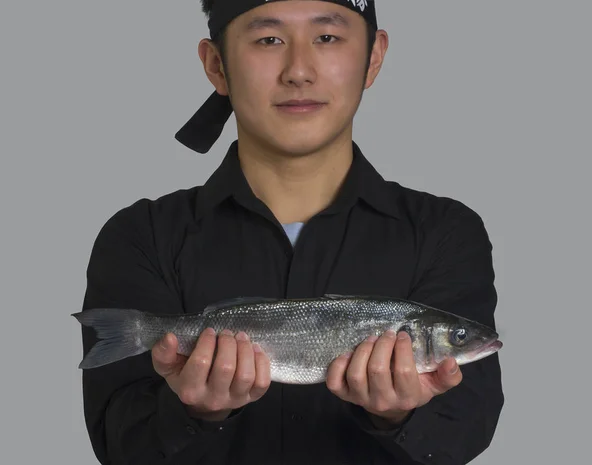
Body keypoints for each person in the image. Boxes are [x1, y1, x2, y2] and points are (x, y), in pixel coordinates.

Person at [78, 0, 504, 464]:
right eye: (269, 40)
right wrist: (192, 412)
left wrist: (397, 418)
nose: (299, 71)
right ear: (217, 65)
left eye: (327, 38)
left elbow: (467, 432)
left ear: (373, 58)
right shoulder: (141, 237)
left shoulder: (445, 233)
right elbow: (119, 447)